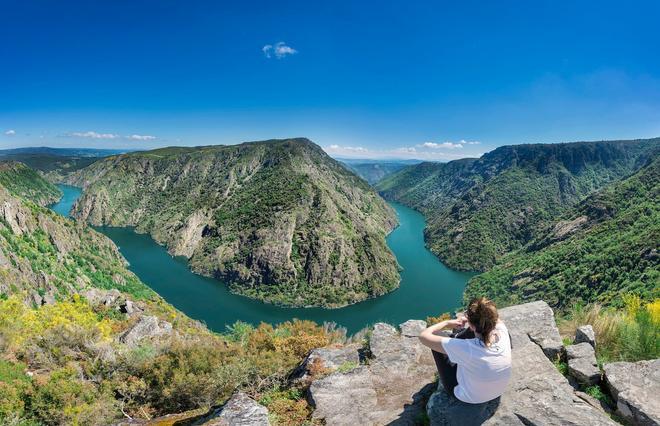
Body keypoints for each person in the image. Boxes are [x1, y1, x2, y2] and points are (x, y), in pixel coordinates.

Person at [419, 297, 512, 407]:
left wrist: (446, 323)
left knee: (438, 336)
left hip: (468, 397)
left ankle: (456, 336)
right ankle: (458, 335)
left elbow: (423, 336)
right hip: (497, 391)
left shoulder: (467, 348)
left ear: (472, 325)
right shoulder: (502, 331)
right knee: (476, 332)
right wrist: (473, 319)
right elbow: (490, 319)